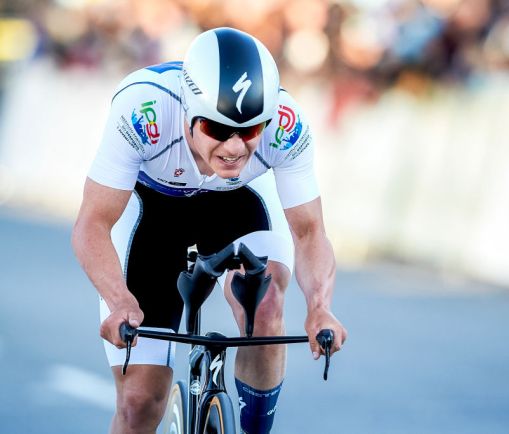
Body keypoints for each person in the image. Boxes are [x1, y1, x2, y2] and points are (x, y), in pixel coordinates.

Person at [71, 27, 347, 434]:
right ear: (188, 114)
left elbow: (308, 231)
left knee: (267, 305)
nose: (235, 148)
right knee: (139, 403)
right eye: (219, 130)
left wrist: (320, 307)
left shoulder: (286, 124)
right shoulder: (143, 107)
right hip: (153, 212)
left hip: (237, 205)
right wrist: (119, 301)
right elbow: (92, 223)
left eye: (251, 131)